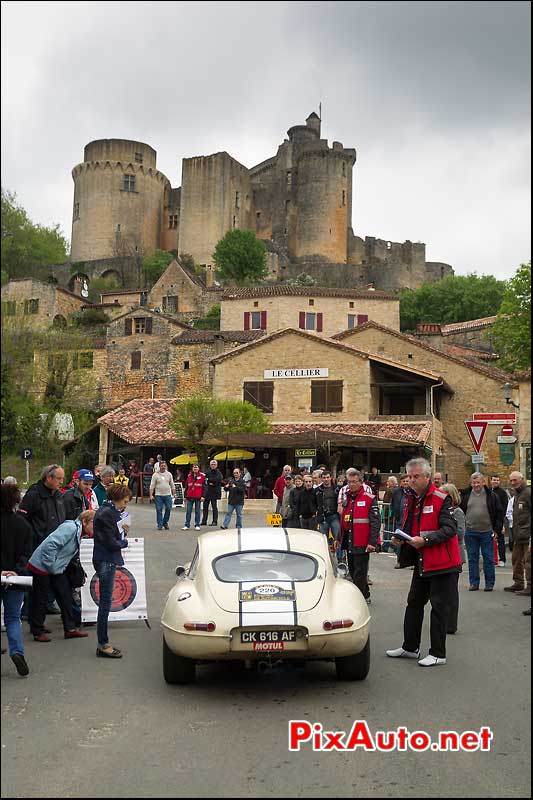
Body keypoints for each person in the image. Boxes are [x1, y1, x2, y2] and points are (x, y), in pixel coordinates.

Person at [386, 457, 460, 667]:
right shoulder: (412, 498)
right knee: (414, 603)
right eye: (409, 476)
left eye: (416, 476)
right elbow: (412, 526)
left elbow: (449, 529)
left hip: (442, 563)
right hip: (422, 561)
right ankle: (410, 647)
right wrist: (402, 537)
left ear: (427, 477)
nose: (411, 480)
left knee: (438, 608)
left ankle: (438, 653)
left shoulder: (441, 497)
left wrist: (425, 540)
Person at [28, 511, 94, 642]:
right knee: (41, 598)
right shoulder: (70, 528)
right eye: (94, 523)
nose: (96, 527)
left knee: (65, 595)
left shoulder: (81, 532)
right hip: (42, 566)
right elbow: (50, 546)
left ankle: (70, 629)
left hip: (55, 568)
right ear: (85, 521)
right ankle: (37, 630)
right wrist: (51, 566)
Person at [18, 463, 66, 617]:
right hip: (37, 545)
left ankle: (47, 604)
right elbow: (22, 519)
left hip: (54, 545)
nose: (61, 482)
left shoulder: (58, 495)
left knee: (50, 578)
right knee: (35, 581)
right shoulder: (33, 495)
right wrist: (33, 537)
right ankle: (27, 611)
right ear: (48, 478)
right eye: (58, 478)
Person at [92, 484, 132, 658]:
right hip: (106, 558)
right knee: (105, 603)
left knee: (105, 602)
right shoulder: (108, 513)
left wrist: (122, 534)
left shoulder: (106, 510)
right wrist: (124, 541)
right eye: (124, 501)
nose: (125, 505)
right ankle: (103, 643)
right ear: (117, 498)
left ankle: (103, 642)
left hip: (103, 558)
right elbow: (111, 542)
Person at [1, 483, 33, 676]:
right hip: (16, 576)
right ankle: (17, 651)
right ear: (15, 500)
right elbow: (27, 552)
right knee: (13, 618)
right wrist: (16, 570)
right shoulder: (23, 524)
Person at [339, 470, 380, 602]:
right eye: (349, 482)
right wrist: (338, 539)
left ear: (361, 482)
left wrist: (372, 542)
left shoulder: (369, 498)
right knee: (352, 570)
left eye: (354, 482)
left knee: (359, 574)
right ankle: (365, 594)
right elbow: (344, 521)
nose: (351, 484)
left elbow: (375, 522)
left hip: (362, 542)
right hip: (349, 541)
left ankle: (358, 600)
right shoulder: (348, 498)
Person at [460, 472, 504, 592]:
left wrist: (497, 530)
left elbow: (500, 514)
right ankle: (474, 583)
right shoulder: (465, 495)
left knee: (488, 558)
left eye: (478, 482)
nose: (475, 485)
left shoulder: (492, 496)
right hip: (470, 532)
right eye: (473, 483)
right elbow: (460, 511)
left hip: (487, 532)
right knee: (472, 558)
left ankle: (489, 583)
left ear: (483, 482)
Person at [441, 483, 466, 635]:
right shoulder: (446, 511)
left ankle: (451, 624)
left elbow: (460, 533)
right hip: (446, 555)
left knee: (451, 591)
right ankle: (444, 620)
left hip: (455, 555)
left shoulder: (457, 512)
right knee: (444, 591)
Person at [504, 471, 531, 597]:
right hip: (518, 534)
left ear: (522, 479)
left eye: (515, 480)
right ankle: (518, 583)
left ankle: (530, 586)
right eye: (511, 480)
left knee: (528, 562)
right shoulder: (517, 494)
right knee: (516, 559)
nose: (513, 483)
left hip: (527, 534)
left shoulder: (528, 493)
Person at [315, 471, 341, 546]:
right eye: (324, 478)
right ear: (321, 479)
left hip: (335, 516)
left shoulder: (337, 489)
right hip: (323, 518)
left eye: (327, 477)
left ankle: (340, 557)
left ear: (331, 478)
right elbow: (314, 502)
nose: (326, 479)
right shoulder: (317, 490)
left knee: (338, 538)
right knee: (323, 540)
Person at [149, 460, 176, 530]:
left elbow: (172, 484)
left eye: (164, 466)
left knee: (168, 508)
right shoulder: (155, 475)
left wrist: (174, 493)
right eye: (162, 466)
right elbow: (152, 485)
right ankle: (160, 524)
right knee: (159, 509)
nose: (163, 467)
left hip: (167, 494)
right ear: (159, 466)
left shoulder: (169, 474)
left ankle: (165, 522)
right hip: (158, 495)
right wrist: (151, 495)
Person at [490, 475, 510, 566]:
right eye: (494, 480)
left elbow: (504, 508)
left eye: (498, 480)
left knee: (500, 540)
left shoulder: (502, 493)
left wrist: (502, 524)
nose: (496, 482)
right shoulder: (488, 491)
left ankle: (502, 559)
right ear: (490, 481)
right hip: (489, 520)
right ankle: (492, 558)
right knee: (489, 540)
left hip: (499, 520)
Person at [182, 464, 206, 531]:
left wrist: (203, 496)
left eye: (196, 467)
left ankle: (197, 525)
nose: (195, 468)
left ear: (199, 468)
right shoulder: (189, 476)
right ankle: (187, 525)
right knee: (188, 511)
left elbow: (205, 487)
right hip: (190, 496)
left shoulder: (202, 476)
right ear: (192, 468)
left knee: (197, 511)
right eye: (194, 467)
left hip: (198, 496)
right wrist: (185, 496)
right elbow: (186, 486)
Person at [201, 459, 223, 526]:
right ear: (210, 465)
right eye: (212, 464)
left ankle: (214, 521)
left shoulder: (219, 473)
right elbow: (205, 481)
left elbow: (218, 479)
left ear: (216, 465)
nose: (213, 465)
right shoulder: (207, 473)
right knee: (205, 507)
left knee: (214, 507)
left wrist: (211, 481)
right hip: (207, 492)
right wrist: (211, 481)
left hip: (215, 492)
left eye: (214, 464)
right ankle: (204, 521)